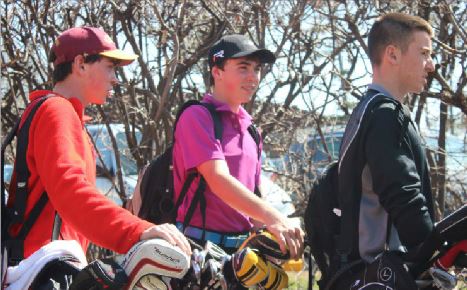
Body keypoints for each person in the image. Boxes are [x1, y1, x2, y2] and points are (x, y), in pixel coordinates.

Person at [4, 27, 191, 265]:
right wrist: (136, 230)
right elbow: (70, 190)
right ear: (81, 64)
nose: (115, 78)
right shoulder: (57, 111)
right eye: (110, 67)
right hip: (40, 267)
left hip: (40, 264)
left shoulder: (62, 113)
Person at [172, 34, 304, 258]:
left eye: (257, 69)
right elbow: (217, 179)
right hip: (196, 250)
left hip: (240, 256)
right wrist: (274, 217)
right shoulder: (196, 116)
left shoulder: (252, 130)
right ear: (217, 72)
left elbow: (252, 202)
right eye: (243, 68)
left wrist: (273, 232)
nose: (253, 77)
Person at [340, 12, 436, 264]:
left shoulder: (369, 110)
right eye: (424, 53)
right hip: (382, 273)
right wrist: (435, 256)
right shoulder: (384, 115)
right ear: (392, 54)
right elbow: (405, 199)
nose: (431, 65)